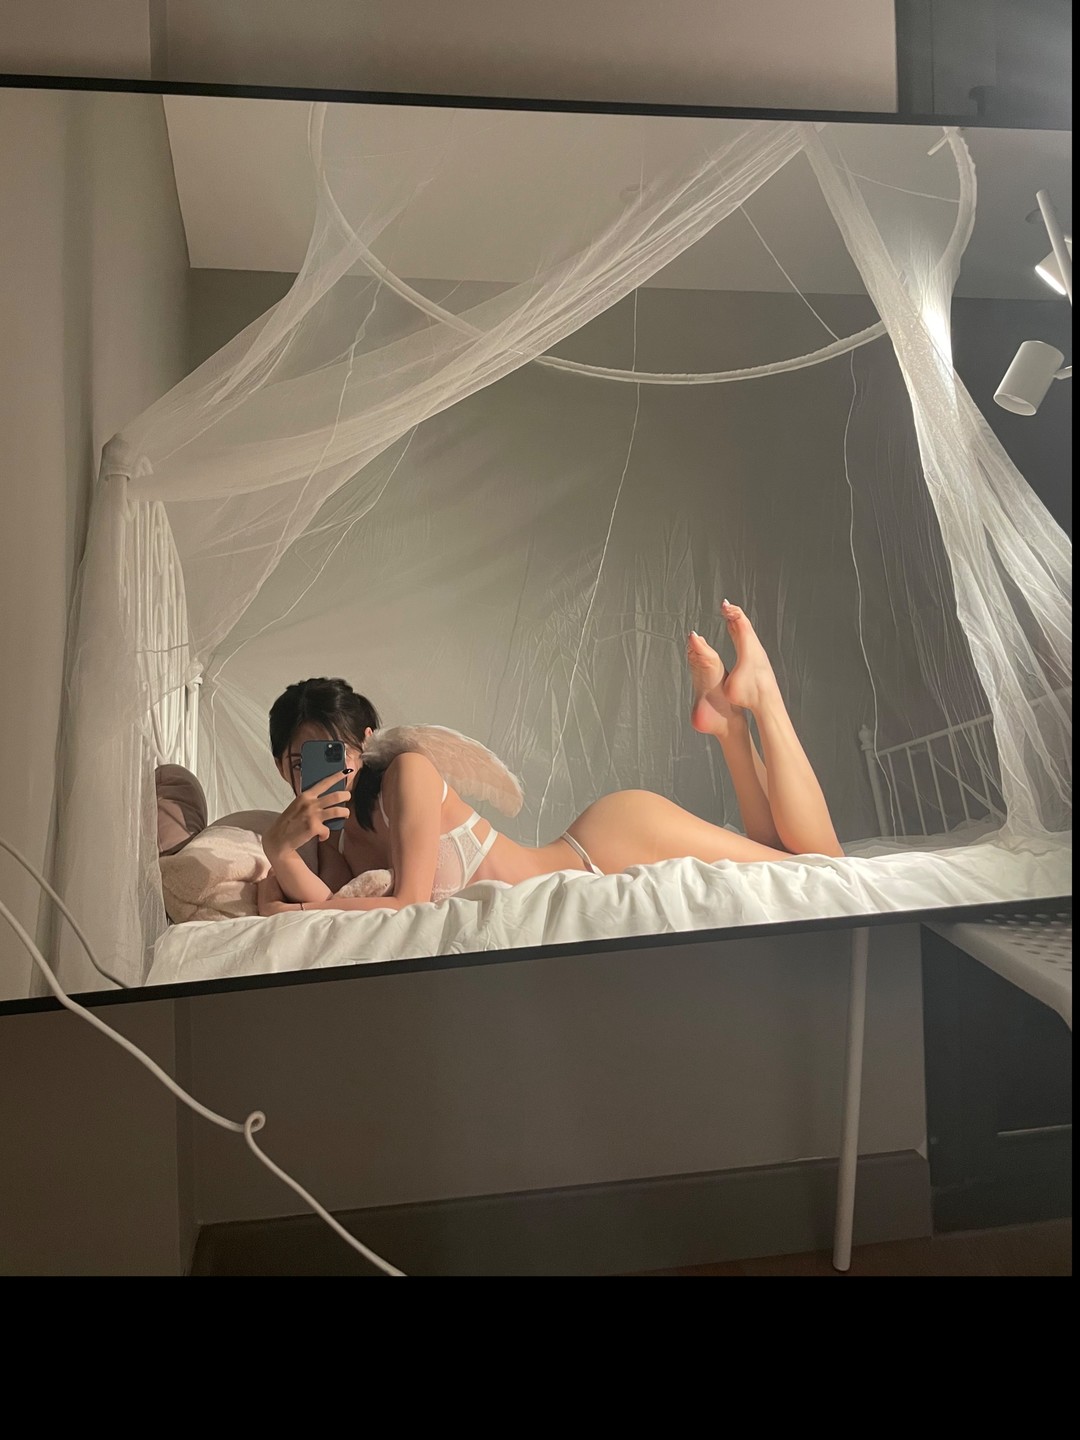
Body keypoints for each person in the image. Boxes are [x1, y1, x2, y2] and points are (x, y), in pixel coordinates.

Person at [258, 601, 843, 915]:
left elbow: (407, 902)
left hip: (608, 846)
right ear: (282, 766)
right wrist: (279, 850)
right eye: (298, 762)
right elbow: (326, 905)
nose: (319, 773)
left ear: (364, 741)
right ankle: (730, 728)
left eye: (333, 751)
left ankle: (763, 697)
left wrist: (288, 893)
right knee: (784, 858)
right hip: (597, 850)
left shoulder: (406, 775)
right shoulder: (329, 840)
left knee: (823, 868)